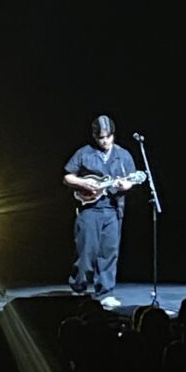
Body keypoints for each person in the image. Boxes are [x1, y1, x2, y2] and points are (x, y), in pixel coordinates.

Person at [63, 114, 139, 309]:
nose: (104, 141)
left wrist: (126, 185)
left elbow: (132, 179)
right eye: (100, 138)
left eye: (108, 137)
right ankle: (78, 288)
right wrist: (83, 183)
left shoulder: (123, 156)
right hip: (90, 209)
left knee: (109, 252)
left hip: (113, 210)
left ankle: (105, 292)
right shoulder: (84, 153)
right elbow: (68, 177)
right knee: (86, 251)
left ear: (113, 135)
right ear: (94, 136)